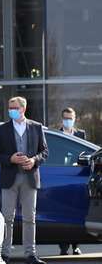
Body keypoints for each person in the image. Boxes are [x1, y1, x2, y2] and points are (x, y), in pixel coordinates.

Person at [0, 96, 49, 264]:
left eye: (14, 108)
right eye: (10, 108)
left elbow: (45, 152)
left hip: (30, 177)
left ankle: (30, 254)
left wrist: (34, 160)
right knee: (7, 217)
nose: (11, 111)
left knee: (30, 217)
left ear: (23, 109)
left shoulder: (36, 127)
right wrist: (10, 158)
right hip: (10, 177)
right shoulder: (2, 129)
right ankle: (5, 253)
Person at [58, 107, 85, 256]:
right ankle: (63, 247)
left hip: (77, 176)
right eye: (66, 118)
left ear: (75, 119)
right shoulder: (57, 134)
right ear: (62, 119)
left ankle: (76, 246)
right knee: (62, 211)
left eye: (71, 118)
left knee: (76, 210)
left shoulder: (81, 134)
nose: (68, 121)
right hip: (62, 176)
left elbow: (85, 152)